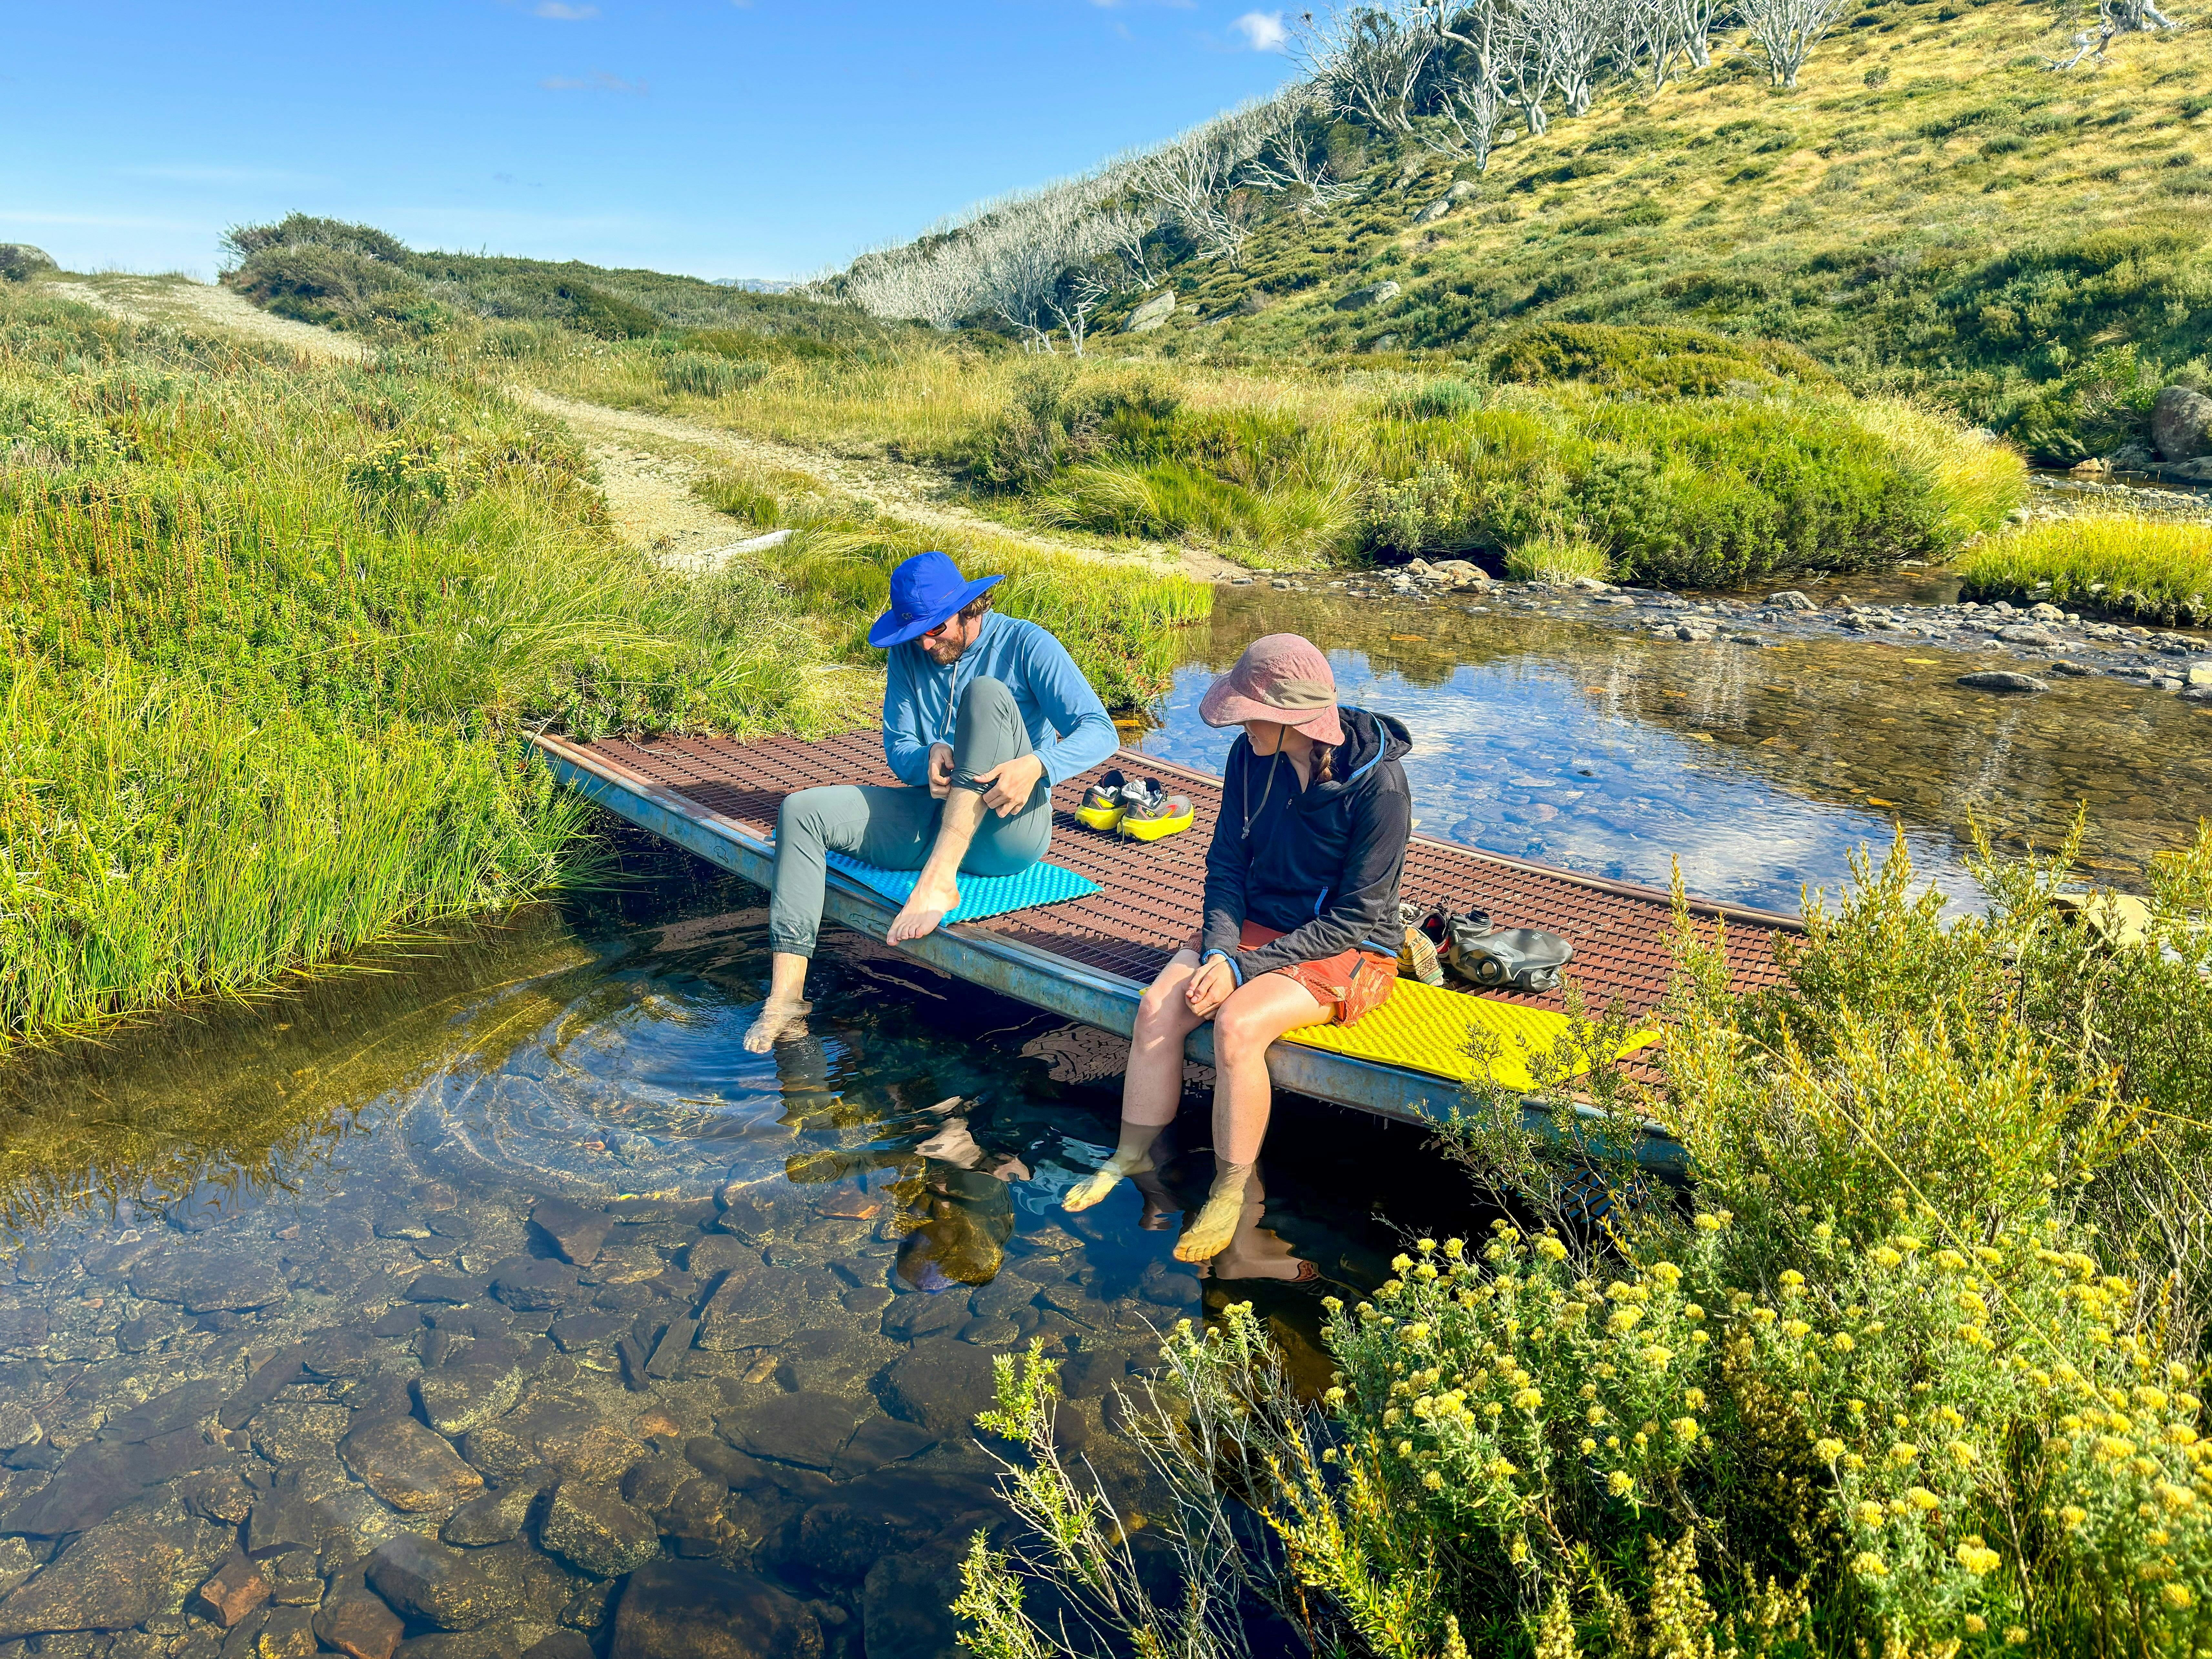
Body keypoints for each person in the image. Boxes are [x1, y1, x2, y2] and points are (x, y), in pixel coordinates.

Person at [1064, 633, 1414, 1262]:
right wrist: (1221, 953)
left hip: (1351, 945)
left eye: (1251, 714)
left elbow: (1355, 916)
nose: (1239, 725)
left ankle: (1232, 1187)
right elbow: (1226, 863)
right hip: (1257, 923)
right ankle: (1131, 1154)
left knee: (1237, 1025)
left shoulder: (1381, 788)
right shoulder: (1248, 756)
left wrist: (1242, 971)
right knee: (1158, 1008)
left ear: (1294, 718)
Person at [745, 549, 1117, 1052]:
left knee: (984, 694)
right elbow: (898, 747)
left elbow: (1100, 731)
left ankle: (939, 881)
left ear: (969, 610)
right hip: (934, 815)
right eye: (914, 633)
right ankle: (786, 999)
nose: (925, 643)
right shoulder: (910, 652)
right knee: (801, 811)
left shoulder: (1027, 644)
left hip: (1008, 830)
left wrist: (1037, 765)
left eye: (935, 629)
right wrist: (927, 757)